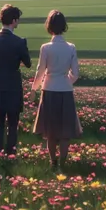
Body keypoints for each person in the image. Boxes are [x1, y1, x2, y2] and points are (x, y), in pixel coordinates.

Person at [30, 9, 82, 170]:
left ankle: (53, 162)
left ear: (49, 27)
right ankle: (63, 163)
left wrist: (34, 88)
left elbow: (40, 71)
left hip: (49, 89)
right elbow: (76, 73)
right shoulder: (71, 47)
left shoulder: (46, 48)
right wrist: (66, 81)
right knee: (66, 130)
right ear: (64, 26)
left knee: (50, 130)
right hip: (66, 91)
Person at [0, 4, 31, 155]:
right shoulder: (20, 41)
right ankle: (11, 153)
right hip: (13, 87)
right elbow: (28, 63)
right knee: (13, 123)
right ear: (14, 21)